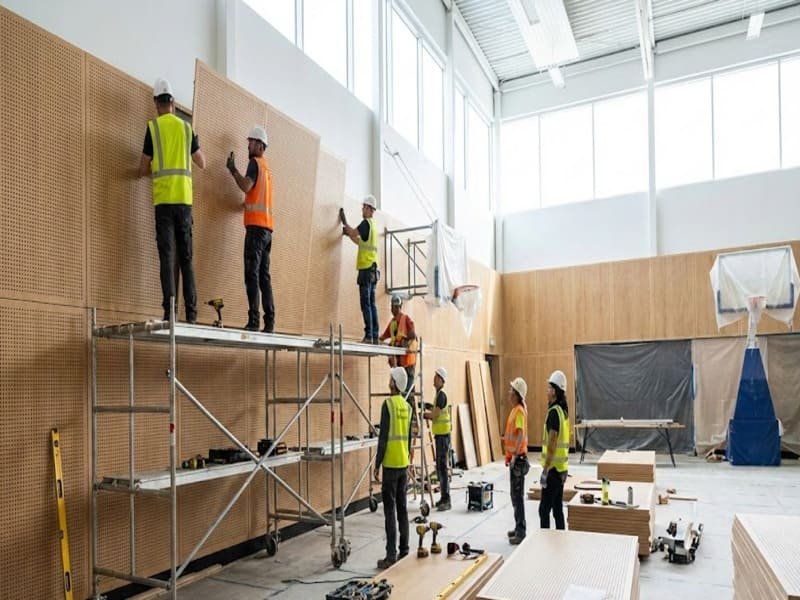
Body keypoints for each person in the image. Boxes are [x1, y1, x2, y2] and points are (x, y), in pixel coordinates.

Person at [139, 78, 206, 323]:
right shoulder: (186, 128)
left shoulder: (153, 128)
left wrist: (141, 171)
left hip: (164, 203)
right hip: (184, 202)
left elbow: (143, 167)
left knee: (167, 257)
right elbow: (202, 162)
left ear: (156, 103)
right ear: (173, 103)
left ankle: (169, 311)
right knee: (186, 258)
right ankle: (192, 313)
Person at [226, 126, 275, 332]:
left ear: (260, 145)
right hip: (267, 231)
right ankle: (269, 322)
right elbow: (256, 195)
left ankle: (254, 321)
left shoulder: (254, 163)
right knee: (264, 276)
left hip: (255, 230)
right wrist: (245, 205)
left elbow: (246, 186)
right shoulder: (266, 169)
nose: (248, 145)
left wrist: (233, 170)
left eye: (251, 142)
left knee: (251, 274)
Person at [374, 367, 412, 569]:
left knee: (390, 511)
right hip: (403, 464)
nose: (388, 381)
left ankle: (391, 556)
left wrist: (377, 463)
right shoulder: (408, 407)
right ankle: (404, 550)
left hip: (390, 464)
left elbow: (383, 438)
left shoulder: (388, 405)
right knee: (402, 508)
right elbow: (409, 438)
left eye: (390, 379)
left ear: (394, 383)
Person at [340, 196, 379, 343]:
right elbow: (359, 241)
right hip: (373, 269)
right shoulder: (373, 226)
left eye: (364, 207)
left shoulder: (365, 223)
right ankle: (374, 336)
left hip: (366, 269)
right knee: (372, 304)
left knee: (366, 304)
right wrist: (348, 234)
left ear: (369, 208)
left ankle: (368, 335)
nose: (362, 209)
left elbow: (353, 232)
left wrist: (345, 223)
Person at [539, 370, 570, 530]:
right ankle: (560, 538)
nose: (547, 391)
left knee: (544, 510)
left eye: (549, 388)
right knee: (557, 510)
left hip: (553, 471)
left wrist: (545, 470)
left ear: (554, 391)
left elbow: (551, 445)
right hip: (561, 470)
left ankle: (545, 540)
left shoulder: (553, 413)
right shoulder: (562, 411)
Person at [504, 377, 529, 545]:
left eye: (511, 390)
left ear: (516, 394)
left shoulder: (519, 411)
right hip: (515, 459)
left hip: (518, 459)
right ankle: (518, 526)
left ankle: (521, 531)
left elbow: (520, 434)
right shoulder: (515, 410)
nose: (509, 393)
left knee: (518, 496)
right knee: (514, 495)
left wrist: (513, 455)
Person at [379, 295, 418, 400]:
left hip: (408, 365)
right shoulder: (392, 323)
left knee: (407, 394)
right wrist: (377, 341)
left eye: (396, 307)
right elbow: (384, 336)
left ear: (400, 307)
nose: (394, 309)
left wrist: (403, 341)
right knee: (399, 394)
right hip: (398, 365)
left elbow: (413, 334)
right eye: (392, 307)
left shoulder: (405, 319)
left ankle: (410, 410)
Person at [423, 367, 451, 511]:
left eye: (436, 377)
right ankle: (444, 498)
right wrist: (427, 406)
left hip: (443, 437)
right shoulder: (439, 395)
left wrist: (423, 414)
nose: (434, 379)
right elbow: (435, 409)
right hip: (441, 436)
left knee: (442, 468)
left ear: (441, 379)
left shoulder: (441, 395)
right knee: (440, 467)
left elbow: (435, 415)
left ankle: (446, 499)